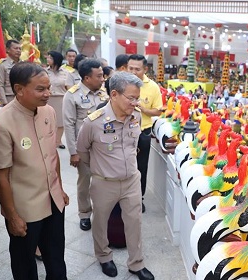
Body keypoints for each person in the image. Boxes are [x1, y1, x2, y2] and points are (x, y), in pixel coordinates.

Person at [0, 62, 68, 279]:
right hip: (25, 208)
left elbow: (52, 155)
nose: (47, 94)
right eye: (40, 89)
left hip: (53, 200)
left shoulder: (48, 112)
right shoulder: (0, 123)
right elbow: (0, 175)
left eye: (48, 88)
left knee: (56, 258)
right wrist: (11, 214)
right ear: (19, 89)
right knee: (24, 265)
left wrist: (59, 188)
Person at [76, 72, 155, 280]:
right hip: (104, 183)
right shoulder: (94, 122)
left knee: (135, 222)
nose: (135, 102)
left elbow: (134, 145)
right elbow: (82, 150)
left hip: (131, 181)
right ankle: (104, 257)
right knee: (100, 222)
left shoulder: (136, 116)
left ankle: (136, 263)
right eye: (131, 98)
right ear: (114, 94)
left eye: (137, 98)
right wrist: (99, 169)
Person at [63, 59, 107, 231]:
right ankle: (84, 214)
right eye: (99, 76)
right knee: (85, 182)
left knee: (103, 182)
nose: (103, 79)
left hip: (104, 148)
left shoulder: (105, 94)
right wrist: (74, 152)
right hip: (85, 150)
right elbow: (68, 124)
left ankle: (101, 213)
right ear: (87, 78)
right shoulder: (72, 95)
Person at [127, 54, 164, 213]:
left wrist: (143, 109)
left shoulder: (152, 87)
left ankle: (138, 198)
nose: (133, 72)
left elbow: (158, 111)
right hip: (123, 131)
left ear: (145, 69)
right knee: (123, 166)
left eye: (137, 69)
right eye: (130, 68)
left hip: (143, 133)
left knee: (141, 167)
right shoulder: (121, 83)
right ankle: (123, 198)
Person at [46, 51, 69, 149]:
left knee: (60, 121)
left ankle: (58, 141)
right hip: (48, 99)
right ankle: (48, 140)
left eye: (50, 58)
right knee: (47, 120)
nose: (48, 59)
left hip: (61, 98)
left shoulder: (65, 73)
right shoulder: (44, 72)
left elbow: (69, 87)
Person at [0, 39, 21, 105]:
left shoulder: (24, 64)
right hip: (9, 98)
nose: (18, 50)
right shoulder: (2, 64)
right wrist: (4, 102)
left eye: (20, 49)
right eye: (16, 48)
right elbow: (0, 85)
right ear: (8, 50)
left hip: (23, 98)